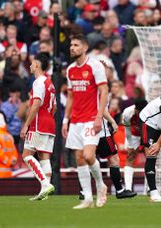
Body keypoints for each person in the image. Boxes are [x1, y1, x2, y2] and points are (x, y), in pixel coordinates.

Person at [62, 34, 109, 209]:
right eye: (71, 45)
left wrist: (99, 116)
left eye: (75, 45)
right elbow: (71, 97)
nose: (72, 48)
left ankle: (100, 185)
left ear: (85, 47)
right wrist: (65, 120)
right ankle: (88, 198)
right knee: (79, 158)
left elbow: (104, 92)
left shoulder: (95, 66)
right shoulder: (70, 70)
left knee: (89, 155)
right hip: (75, 120)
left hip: (91, 119)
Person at [20, 53, 56, 201]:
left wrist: (26, 125)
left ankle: (45, 184)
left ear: (37, 65)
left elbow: (35, 105)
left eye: (32, 62)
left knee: (27, 155)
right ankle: (45, 190)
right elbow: (54, 108)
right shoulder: (50, 83)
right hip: (49, 123)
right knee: (44, 157)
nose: (30, 65)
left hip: (38, 122)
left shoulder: (38, 82)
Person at [122, 99, 148, 192]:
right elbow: (127, 130)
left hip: (148, 133)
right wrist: (130, 144)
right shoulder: (127, 113)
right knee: (130, 157)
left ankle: (150, 188)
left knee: (150, 157)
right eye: (139, 112)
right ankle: (128, 188)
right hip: (134, 135)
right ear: (135, 109)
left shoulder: (151, 112)